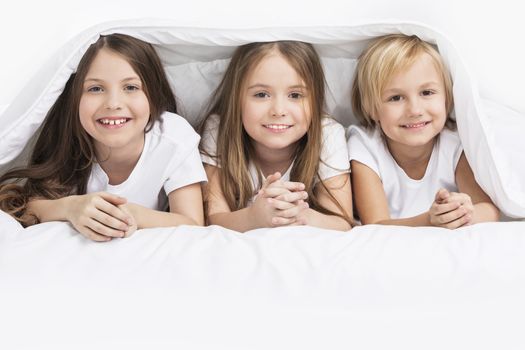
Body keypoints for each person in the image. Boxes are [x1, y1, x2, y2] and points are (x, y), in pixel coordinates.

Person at [0, 33, 207, 241]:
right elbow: (31, 207)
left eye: (131, 87)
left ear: (152, 94)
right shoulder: (70, 134)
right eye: (96, 88)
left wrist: (133, 214)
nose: (113, 103)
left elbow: (193, 223)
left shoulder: (174, 137)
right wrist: (71, 207)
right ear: (75, 98)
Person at [199, 41, 353, 232]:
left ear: (315, 100)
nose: (278, 110)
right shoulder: (219, 129)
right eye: (262, 94)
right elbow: (212, 220)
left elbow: (342, 223)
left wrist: (301, 214)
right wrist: (254, 217)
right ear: (236, 98)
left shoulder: (327, 133)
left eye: (295, 95)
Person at [348, 34, 499, 228]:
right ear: (372, 109)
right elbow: (376, 226)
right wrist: (430, 220)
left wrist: (463, 212)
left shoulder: (456, 144)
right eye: (396, 98)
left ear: (447, 98)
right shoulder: (364, 145)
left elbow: (490, 211)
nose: (415, 110)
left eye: (427, 93)